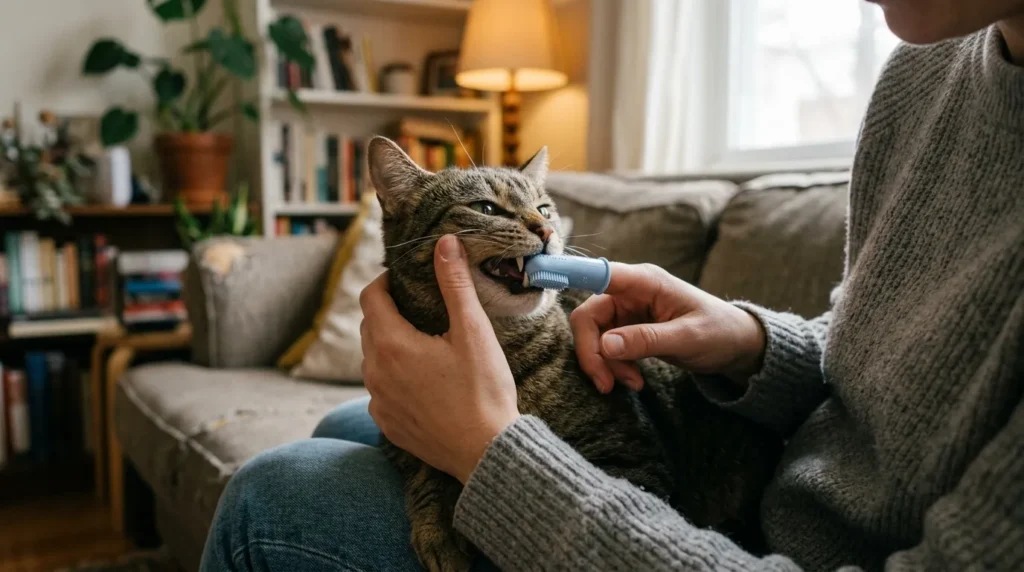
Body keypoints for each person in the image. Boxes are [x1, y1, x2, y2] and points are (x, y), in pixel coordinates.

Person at [200, 0, 1024, 569]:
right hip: (785, 474)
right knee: (349, 418)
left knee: (269, 497)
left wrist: (490, 457)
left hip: (744, 539)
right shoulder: (925, 72)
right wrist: (753, 345)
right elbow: (886, 358)